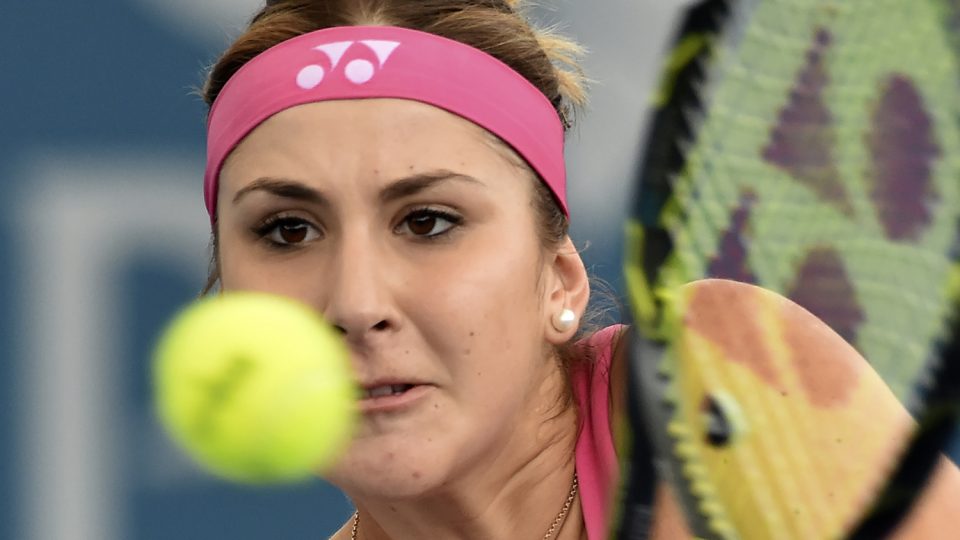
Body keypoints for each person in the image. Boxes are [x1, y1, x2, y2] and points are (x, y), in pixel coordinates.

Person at [196, 1, 960, 538]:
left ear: (558, 280)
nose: (356, 303)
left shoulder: (717, 378)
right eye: (287, 231)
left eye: (428, 221)